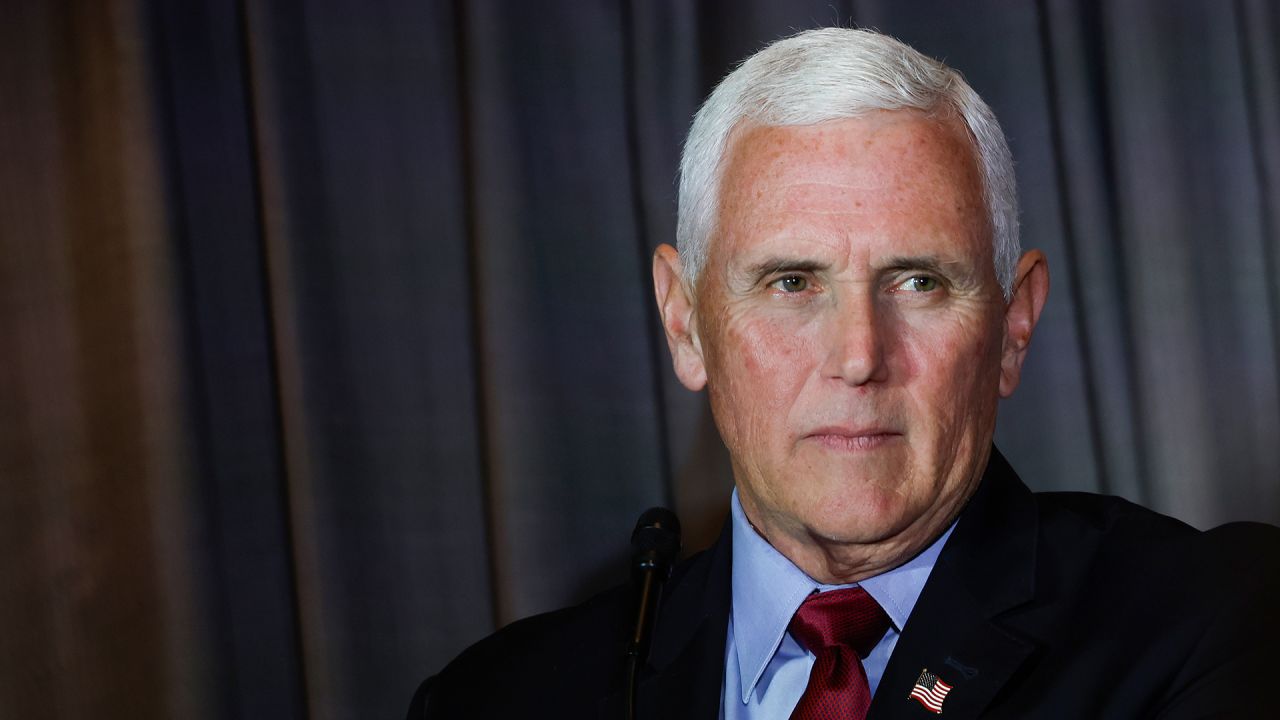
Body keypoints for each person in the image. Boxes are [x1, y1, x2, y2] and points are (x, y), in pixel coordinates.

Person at [408, 27, 1279, 719]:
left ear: (1014, 326)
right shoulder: (496, 697)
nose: (860, 355)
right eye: (792, 282)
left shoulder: (1209, 628)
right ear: (686, 323)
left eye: (919, 282)